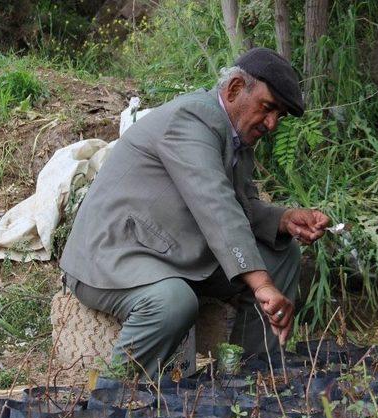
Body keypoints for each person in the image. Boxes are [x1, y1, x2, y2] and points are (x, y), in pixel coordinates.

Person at [59, 47, 330, 379]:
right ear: (233, 89)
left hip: (170, 250)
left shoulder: (236, 137)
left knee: (282, 254)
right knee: (173, 302)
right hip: (116, 253)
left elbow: (239, 204)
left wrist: (283, 219)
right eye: (268, 108)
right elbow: (214, 204)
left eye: (280, 116)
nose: (272, 123)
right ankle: (115, 396)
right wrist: (261, 285)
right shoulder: (190, 120)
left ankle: (250, 377)